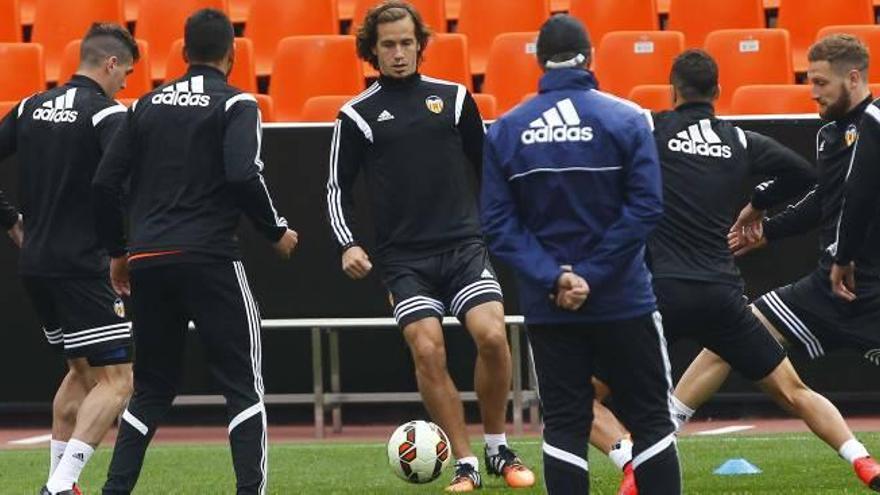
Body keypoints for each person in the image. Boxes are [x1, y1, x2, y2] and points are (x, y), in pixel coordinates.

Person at [587, 47, 880, 493]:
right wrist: (763, 211)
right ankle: (863, 462)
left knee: (578, 396)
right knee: (791, 389)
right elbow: (810, 185)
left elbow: (606, 145)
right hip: (742, 295)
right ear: (719, 91)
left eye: (819, 82)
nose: (811, 92)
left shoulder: (651, 128)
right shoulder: (745, 140)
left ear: (672, 90)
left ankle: (637, 464)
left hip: (662, 294)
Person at [326, 1, 534, 491]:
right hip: (404, 261)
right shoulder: (355, 115)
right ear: (371, 52)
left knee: (492, 337)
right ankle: (465, 463)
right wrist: (347, 244)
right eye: (388, 45)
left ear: (420, 45)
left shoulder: (456, 98)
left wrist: (501, 227)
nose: (398, 53)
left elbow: (490, 170)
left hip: (464, 247)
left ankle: (499, 446)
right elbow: (336, 188)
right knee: (427, 349)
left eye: (405, 43)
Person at [93, 9, 297, 495]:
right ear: (233, 55)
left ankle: (114, 490)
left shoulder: (143, 106)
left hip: (149, 262)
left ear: (183, 55)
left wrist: (118, 252)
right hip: (210, 258)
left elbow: (103, 184)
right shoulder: (236, 103)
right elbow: (243, 174)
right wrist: (276, 231)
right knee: (242, 385)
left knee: (151, 390)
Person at [481, 14, 681, 494]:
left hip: (550, 308)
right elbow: (646, 206)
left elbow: (499, 224)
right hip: (624, 299)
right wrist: (591, 274)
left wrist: (555, 279)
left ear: (539, 62)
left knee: (566, 424)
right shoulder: (629, 118)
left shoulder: (506, 129)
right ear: (591, 58)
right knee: (652, 419)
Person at [0, 23, 139, 495]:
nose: (126, 85)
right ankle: (62, 485)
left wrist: (9, 220)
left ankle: (61, 485)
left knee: (81, 373)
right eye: (127, 74)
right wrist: (119, 253)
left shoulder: (29, 107)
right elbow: (112, 188)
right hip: (82, 263)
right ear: (110, 64)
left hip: (35, 262)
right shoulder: (106, 115)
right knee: (119, 382)